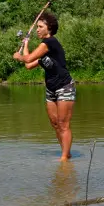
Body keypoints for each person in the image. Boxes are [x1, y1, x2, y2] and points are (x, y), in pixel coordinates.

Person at [12, 12, 76, 161]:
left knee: (63, 123)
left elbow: (26, 58)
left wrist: (19, 56)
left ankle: (64, 159)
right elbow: (29, 65)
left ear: (50, 28)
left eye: (41, 27)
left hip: (65, 86)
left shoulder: (50, 43)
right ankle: (66, 153)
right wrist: (26, 43)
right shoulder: (45, 51)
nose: (37, 30)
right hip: (51, 89)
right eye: (37, 27)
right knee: (55, 124)